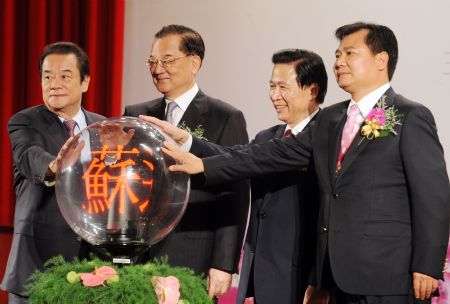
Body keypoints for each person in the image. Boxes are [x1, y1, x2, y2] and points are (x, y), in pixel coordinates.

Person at [160, 22, 450, 303]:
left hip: (388, 274)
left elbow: (433, 198)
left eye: (350, 53)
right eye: (337, 54)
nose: (339, 62)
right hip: (336, 278)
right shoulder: (330, 119)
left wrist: (427, 264)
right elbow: (269, 154)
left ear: (380, 60)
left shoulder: (409, 115)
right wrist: (200, 158)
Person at [144, 48, 327, 304]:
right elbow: (236, 155)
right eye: (271, 86)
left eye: (283, 87)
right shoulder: (268, 137)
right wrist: (187, 141)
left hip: (302, 277)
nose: (274, 96)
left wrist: (319, 281)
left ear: (312, 90)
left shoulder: (326, 136)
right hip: (263, 274)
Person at [123, 24, 250, 299]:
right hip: (139, 253)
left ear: (194, 63)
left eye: (167, 60)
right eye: (152, 61)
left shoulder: (225, 117)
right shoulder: (136, 114)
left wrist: (223, 263)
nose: (158, 68)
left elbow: (235, 192)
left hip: (194, 253)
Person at [1, 42, 106, 304]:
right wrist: (56, 165)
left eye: (64, 76)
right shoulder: (24, 121)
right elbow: (28, 156)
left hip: (92, 267)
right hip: (37, 267)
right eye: (47, 76)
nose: (54, 83)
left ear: (85, 82)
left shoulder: (104, 126)